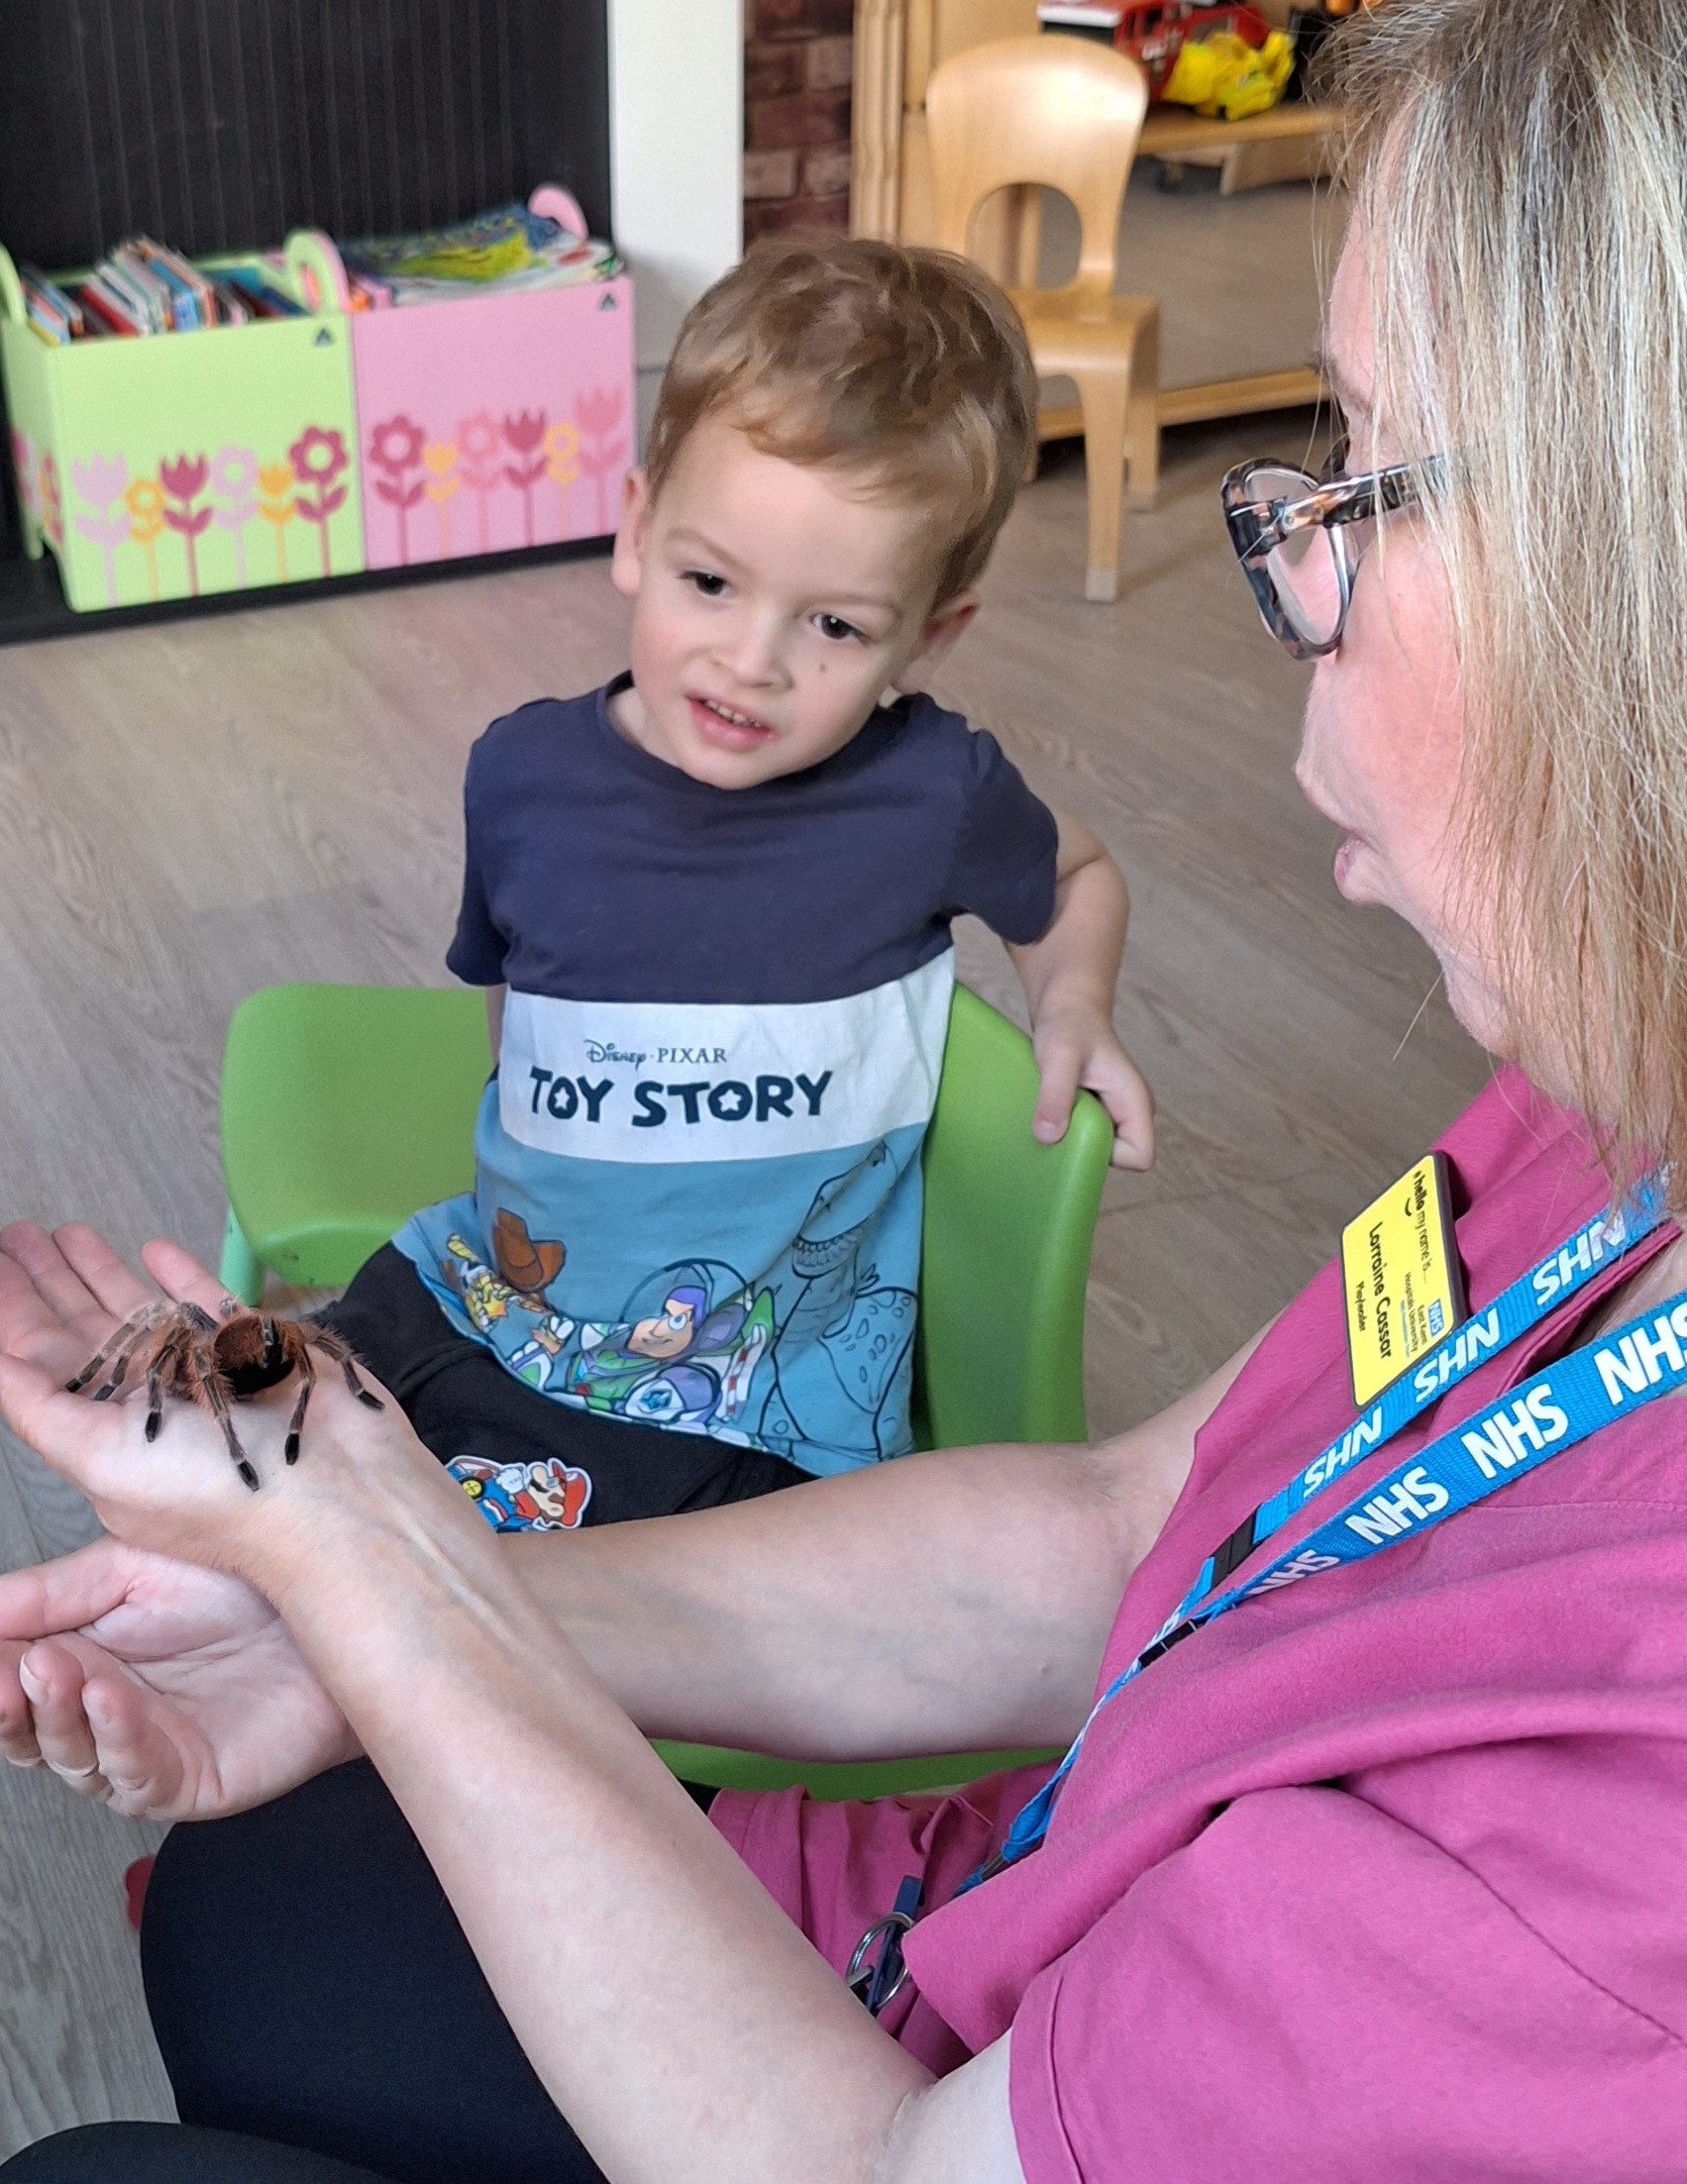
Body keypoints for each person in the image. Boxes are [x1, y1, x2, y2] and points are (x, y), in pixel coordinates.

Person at [5, 0, 1687, 2175]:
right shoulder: (1602, 1088)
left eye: (1359, 474)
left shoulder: (1616, 1884)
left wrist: (405, 1601)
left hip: (928, 2059)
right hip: (969, 1901)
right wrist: (375, 1584)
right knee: (265, 1895)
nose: (1287, 573)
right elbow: (1126, 1527)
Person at [314, 233, 1153, 1534]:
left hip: (750, 1407)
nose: (749, 660)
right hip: (494, 1295)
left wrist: (1072, 1004)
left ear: (926, 638)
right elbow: (519, 1029)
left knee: (497, 1631)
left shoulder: (929, 793)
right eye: (710, 581)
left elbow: (1080, 872)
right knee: (280, 1459)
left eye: (835, 625)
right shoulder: (522, 777)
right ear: (638, 530)